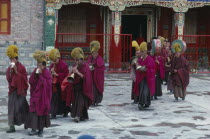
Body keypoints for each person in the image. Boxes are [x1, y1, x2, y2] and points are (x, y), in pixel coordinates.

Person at [62, 47, 93, 123]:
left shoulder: (85, 66)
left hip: (83, 88)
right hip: (76, 88)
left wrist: (78, 73)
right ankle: (81, 115)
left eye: (77, 60)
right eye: (75, 60)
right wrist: (72, 72)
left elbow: (86, 78)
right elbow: (71, 78)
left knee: (80, 103)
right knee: (76, 103)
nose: (76, 61)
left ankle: (78, 116)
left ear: (81, 59)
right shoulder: (74, 66)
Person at [25, 50, 52, 136]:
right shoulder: (35, 71)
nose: (38, 67)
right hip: (35, 96)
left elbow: (48, 85)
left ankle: (40, 129)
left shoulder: (47, 73)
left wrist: (40, 76)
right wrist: (36, 75)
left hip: (43, 97)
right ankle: (33, 129)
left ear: (44, 65)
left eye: (40, 65)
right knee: (33, 112)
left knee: (41, 113)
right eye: (37, 65)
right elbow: (31, 81)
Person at [5, 45, 29, 133]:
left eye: (13, 59)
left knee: (22, 107)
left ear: (16, 59)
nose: (12, 61)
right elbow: (8, 79)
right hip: (12, 91)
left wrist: (16, 71)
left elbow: (24, 79)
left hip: (20, 91)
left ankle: (27, 122)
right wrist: (11, 72)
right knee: (11, 108)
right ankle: (12, 126)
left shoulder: (22, 67)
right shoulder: (9, 68)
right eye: (10, 59)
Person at [134, 42, 156, 110]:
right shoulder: (140, 59)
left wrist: (146, 69)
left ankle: (145, 103)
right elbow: (138, 66)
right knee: (141, 91)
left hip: (148, 78)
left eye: (143, 52)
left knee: (145, 91)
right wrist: (138, 66)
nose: (142, 53)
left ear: (146, 51)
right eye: (141, 52)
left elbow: (153, 69)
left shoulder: (150, 59)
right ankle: (142, 103)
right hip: (141, 78)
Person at [49, 49, 69, 118]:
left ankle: (65, 111)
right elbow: (49, 76)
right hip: (55, 85)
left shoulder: (64, 65)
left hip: (62, 85)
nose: (54, 62)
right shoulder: (52, 66)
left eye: (55, 60)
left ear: (58, 58)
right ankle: (53, 113)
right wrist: (51, 73)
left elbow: (66, 75)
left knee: (63, 99)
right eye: (53, 60)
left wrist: (57, 74)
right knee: (54, 99)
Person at [87, 41, 105, 106]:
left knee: (96, 89)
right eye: (93, 53)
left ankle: (97, 101)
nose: (95, 55)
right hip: (91, 77)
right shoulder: (90, 59)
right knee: (92, 89)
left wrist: (95, 69)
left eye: (96, 53)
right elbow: (87, 65)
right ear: (91, 53)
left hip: (98, 77)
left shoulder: (100, 59)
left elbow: (102, 69)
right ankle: (92, 101)